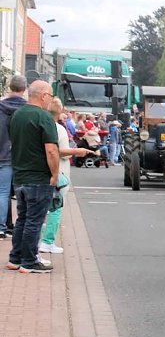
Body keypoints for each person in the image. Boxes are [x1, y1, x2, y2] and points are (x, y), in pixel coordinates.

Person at [6, 81, 59, 274]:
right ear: (44, 96)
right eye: (51, 96)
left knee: (23, 218)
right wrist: (54, 174)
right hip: (38, 177)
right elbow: (51, 150)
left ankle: (15, 257)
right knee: (34, 221)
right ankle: (29, 261)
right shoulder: (43, 117)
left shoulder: (17, 115)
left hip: (19, 175)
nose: (51, 100)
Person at [40, 98, 97, 254]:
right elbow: (58, 151)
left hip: (40, 172)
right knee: (55, 208)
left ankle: (39, 240)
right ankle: (47, 241)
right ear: (59, 112)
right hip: (57, 172)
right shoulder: (59, 129)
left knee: (40, 210)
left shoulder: (39, 126)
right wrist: (77, 151)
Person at [0, 75, 28, 239]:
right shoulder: (28, 109)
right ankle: (21, 226)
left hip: (2, 154)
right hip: (21, 157)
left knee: (2, 192)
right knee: (23, 193)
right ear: (24, 89)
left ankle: (2, 227)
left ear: (10, 87)